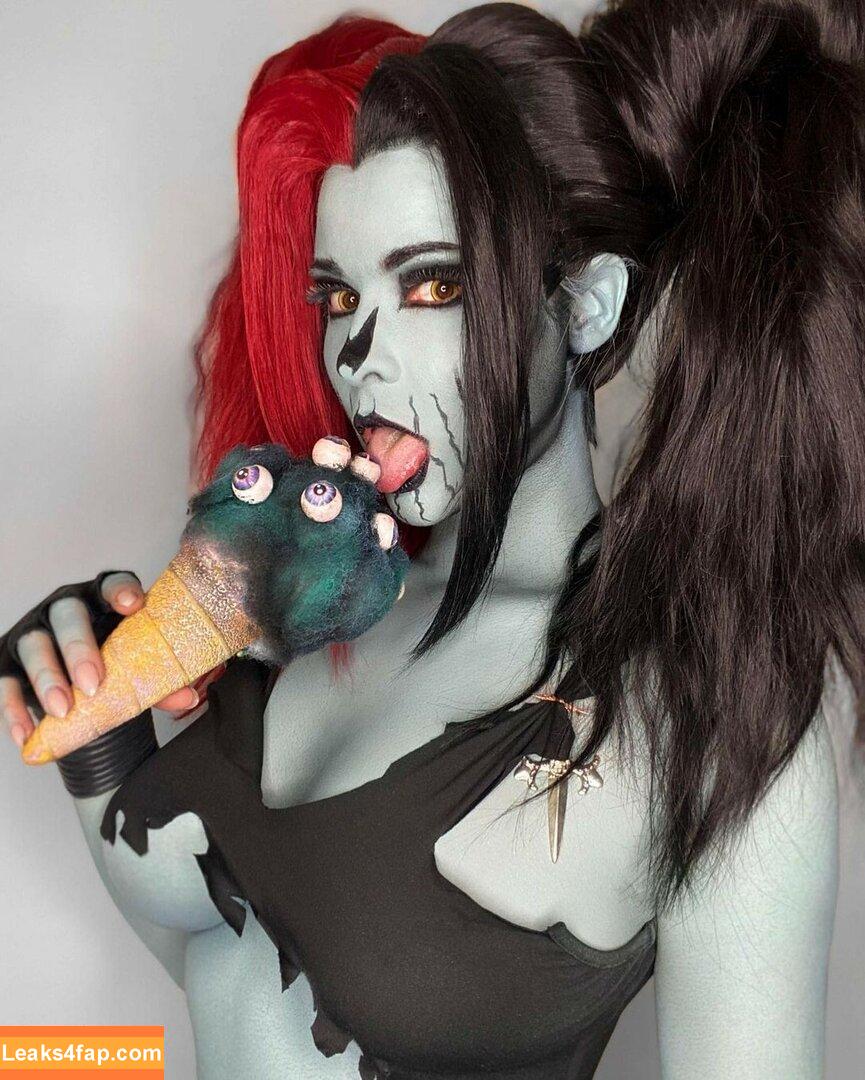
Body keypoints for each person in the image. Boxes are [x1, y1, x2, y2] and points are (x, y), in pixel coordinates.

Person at [2, 2, 863, 1077]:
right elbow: (224, 964)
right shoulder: (315, 592)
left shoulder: (705, 704)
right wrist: (95, 718)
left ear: (586, 308)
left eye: (432, 285)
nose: (358, 354)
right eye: (337, 294)